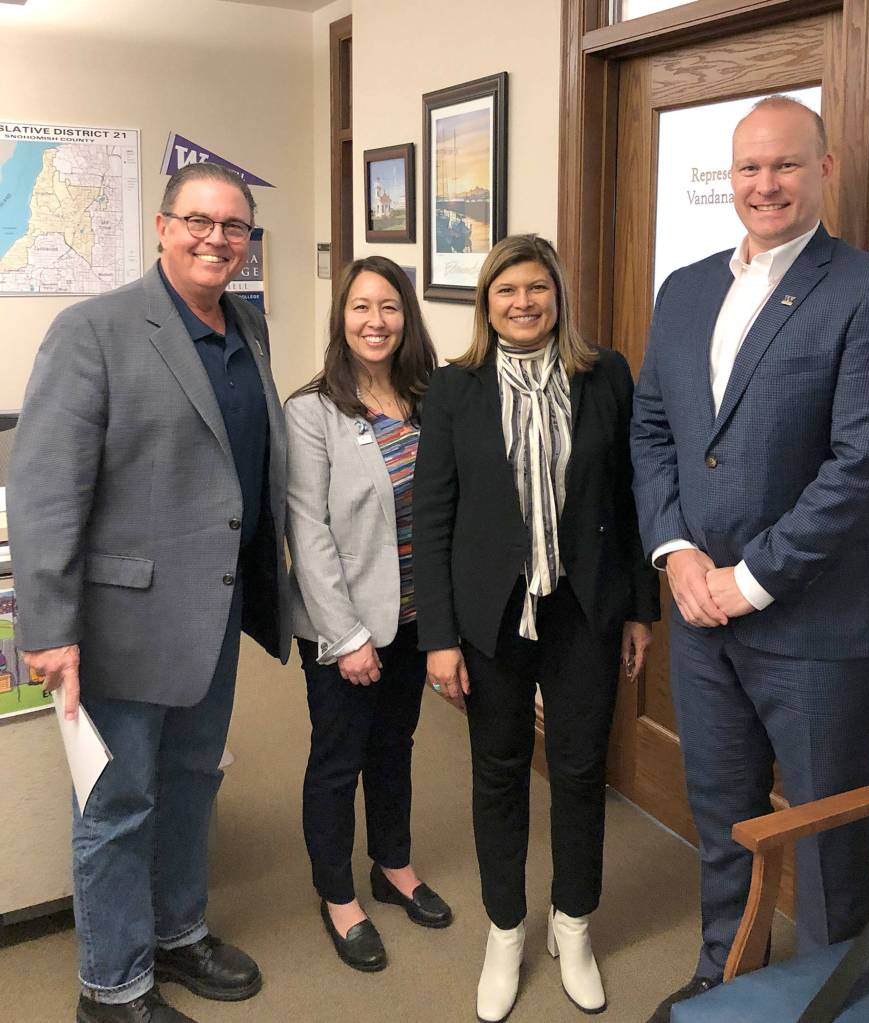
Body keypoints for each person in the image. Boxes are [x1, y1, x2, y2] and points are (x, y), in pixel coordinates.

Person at [630, 96, 869, 1022]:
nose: (765, 185)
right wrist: (676, 552)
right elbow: (655, 432)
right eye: (749, 168)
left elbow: (863, 467)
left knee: (830, 836)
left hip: (816, 627)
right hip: (699, 616)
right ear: (729, 177)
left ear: (825, 170)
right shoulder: (683, 288)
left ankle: (834, 996)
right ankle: (728, 973)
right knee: (724, 819)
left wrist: (746, 578)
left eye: (786, 165)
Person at [8, 162, 291, 1023]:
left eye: (234, 227)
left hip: (213, 612)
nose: (217, 239)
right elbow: (47, 488)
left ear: (248, 241)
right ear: (162, 227)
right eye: (199, 221)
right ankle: (113, 984)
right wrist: (49, 627)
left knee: (193, 781)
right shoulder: (93, 329)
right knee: (117, 803)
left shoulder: (249, 327)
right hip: (122, 620)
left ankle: (178, 931)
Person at [414, 234, 659, 1021]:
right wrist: (440, 637)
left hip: (584, 609)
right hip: (490, 616)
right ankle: (505, 929)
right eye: (505, 290)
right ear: (485, 303)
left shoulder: (605, 374)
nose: (522, 303)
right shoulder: (453, 389)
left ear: (558, 296)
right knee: (498, 770)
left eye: (536, 288)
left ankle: (572, 923)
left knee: (582, 769)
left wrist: (638, 610)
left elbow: (626, 500)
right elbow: (433, 515)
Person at [286, 255, 452, 974]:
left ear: (406, 316)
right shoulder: (313, 409)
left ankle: (392, 865)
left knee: (395, 747)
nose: (375, 322)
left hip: (415, 615)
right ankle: (337, 895)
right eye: (360, 307)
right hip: (344, 624)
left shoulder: (431, 398)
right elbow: (307, 529)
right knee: (337, 758)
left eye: (388, 307)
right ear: (341, 316)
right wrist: (346, 635)